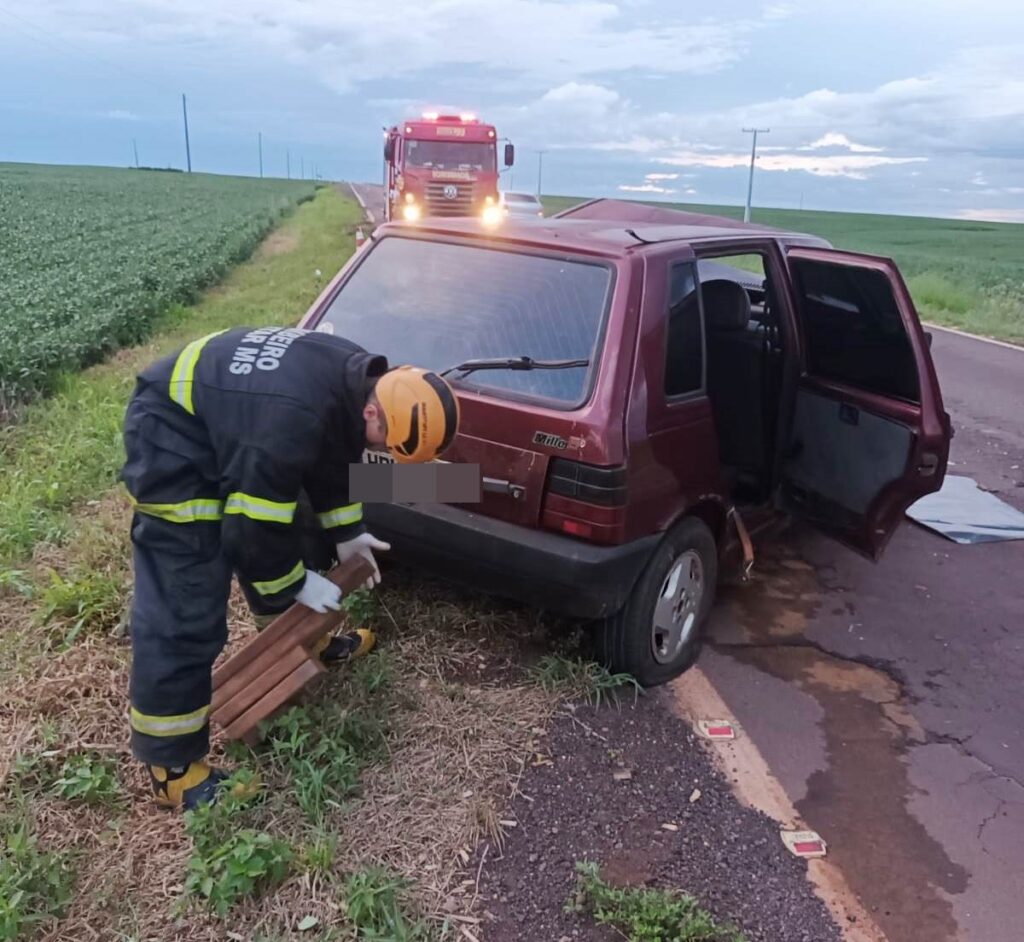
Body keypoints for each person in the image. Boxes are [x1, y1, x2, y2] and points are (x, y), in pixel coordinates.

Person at [119, 325, 459, 810]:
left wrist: (346, 532)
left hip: (234, 422)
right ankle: (170, 768)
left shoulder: (356, 376)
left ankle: (306, 640)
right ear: (373, 411)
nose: (381, 455)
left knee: (295, 525)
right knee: (188, 592)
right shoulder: (289, 422)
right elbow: (250, 529)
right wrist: (296, 582)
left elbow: (331, 456)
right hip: (172, 437)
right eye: (386, 446)